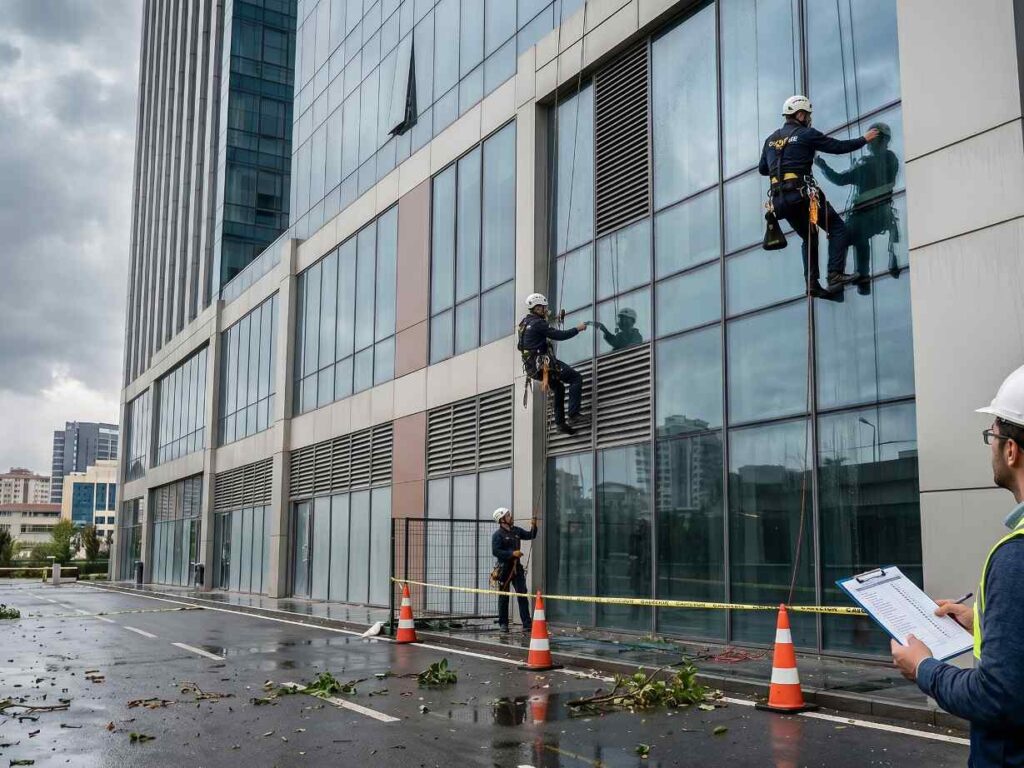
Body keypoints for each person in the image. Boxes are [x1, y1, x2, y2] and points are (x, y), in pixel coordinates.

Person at [891, 365, 1024, 767]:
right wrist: (981, 622)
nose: (992, 446)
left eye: (993, 436)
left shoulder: (1015, 556)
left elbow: (997, 697)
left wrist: (923, 668)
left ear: (1012, 450)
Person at [759, 95, 881, 297]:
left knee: (809, 236)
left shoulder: (770, 140)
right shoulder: (806, 134)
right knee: (837, 227)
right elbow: (838, 147)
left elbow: (764, 169)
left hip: (780, 201)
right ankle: (834, 274)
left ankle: (812, 283)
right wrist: (864, 139)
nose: (808, 119)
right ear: (799, 114)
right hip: (803, 195)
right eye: (807, 115)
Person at [815, 122, 901, 293]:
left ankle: (840, 278)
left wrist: (822, 165)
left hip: (868, 213)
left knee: (842, 235)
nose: (869, 145)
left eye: (872, 141)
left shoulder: (874, 162)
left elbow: (839, 179)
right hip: (879, 215)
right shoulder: (891, 160)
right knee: (860, 238)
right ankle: (863, 279)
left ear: (877, 141)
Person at [518, 293, 588, 435]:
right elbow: (559, 335)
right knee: (575, 378)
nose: (545, 310)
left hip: (532, 368)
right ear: (537, 308)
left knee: (559, 387)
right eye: (543, 308)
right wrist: (577, 329)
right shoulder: (538, 323)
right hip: (544, 365)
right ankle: (573, 414)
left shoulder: (524, 324)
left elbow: (522, 345)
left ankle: (560, 424)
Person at [491, 507, 538, 633]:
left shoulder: (516, 531)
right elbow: (496, 551)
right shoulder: (498, 535)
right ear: (502, 520)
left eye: (509, 515)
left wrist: (534, 526)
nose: (511, 517)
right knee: (503, 597)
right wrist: (512, 554)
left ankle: (527, 624)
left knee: (522, 594)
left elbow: (530, 535)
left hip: (517, 569)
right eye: (508, 516)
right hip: (504, 569)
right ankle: (503, 624)